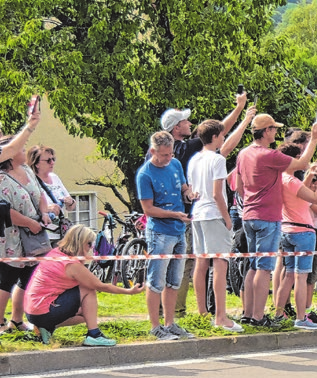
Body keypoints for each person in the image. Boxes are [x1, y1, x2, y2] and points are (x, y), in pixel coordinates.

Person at [237, 114, 317, 326]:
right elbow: (302, 162)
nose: (276, 132)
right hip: (267, 215)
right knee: (264, 267)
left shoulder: (244, 153)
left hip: (249, 213)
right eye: (274, 129)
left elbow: (238, 184)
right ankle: (258, 316)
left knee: (253, 265)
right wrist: (314, 138)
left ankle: (248, 312)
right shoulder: (269, 155)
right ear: (266, 131)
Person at [186, 115, 255, 333]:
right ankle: (221, 316)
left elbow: (193, 188)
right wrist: (227, 218)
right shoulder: (217, 160)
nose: (223, 139)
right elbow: (218, 193)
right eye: (222, 135)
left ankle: (202, 312)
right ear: (215, 137)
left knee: (201, 262)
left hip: (198, 213)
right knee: (220, 264)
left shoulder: (194, 159)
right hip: (214, 213)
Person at [25, 225, 144, 345]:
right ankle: (94, 334)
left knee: (87, 313)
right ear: (80, 243)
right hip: (43, 310)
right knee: (88, 290)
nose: (91, 247)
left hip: (33, 311)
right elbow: (100, 286)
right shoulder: (72, 265)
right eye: (89, 244)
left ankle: (45, 327)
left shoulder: (56, 253)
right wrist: (129, 291)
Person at [137, 131, 195, 341]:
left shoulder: (176, 165)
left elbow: (184, 187)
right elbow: (148, 209)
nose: (168, 158)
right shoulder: (145, 174)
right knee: (156, 280)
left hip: (179, 229)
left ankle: (170, 323)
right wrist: (173, 214)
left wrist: (190, 194)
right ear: (153, 151)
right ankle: (155, 325)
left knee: (174, 280)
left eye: (170, 154)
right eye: (163, 155)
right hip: (160, 231)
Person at [269, 144, 317, 330]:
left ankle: (279, 312)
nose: (303, 160)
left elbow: (298, 194)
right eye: (299, 157)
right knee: (301, 277)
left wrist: (309, 176)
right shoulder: (291, 180)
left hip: (287, 230)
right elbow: (316, 198)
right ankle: (301, 317)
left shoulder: (281, 179)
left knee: (289, 275)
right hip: (303, 231)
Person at [0, 132, 50, 334]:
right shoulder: (2, 178)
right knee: (7, 279)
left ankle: (17, 320)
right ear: (10, 154)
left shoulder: (27, 171)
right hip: (12, 237)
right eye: (20, 148)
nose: (24, 151)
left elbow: (40, 195)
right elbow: (5, 210)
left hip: (34, 235)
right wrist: (29, 223)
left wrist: (44, 214)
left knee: (27, 276)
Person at [28, 145, 76, 240]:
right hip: (44, 235)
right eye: (48, 160)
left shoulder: (54, 177)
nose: (52, 163)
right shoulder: (30, 182)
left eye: (53, 159)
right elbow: (27, 209)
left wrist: (70, 202)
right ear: (37, 164)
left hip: (61, 233)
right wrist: (46, 210)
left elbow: (71, 207)